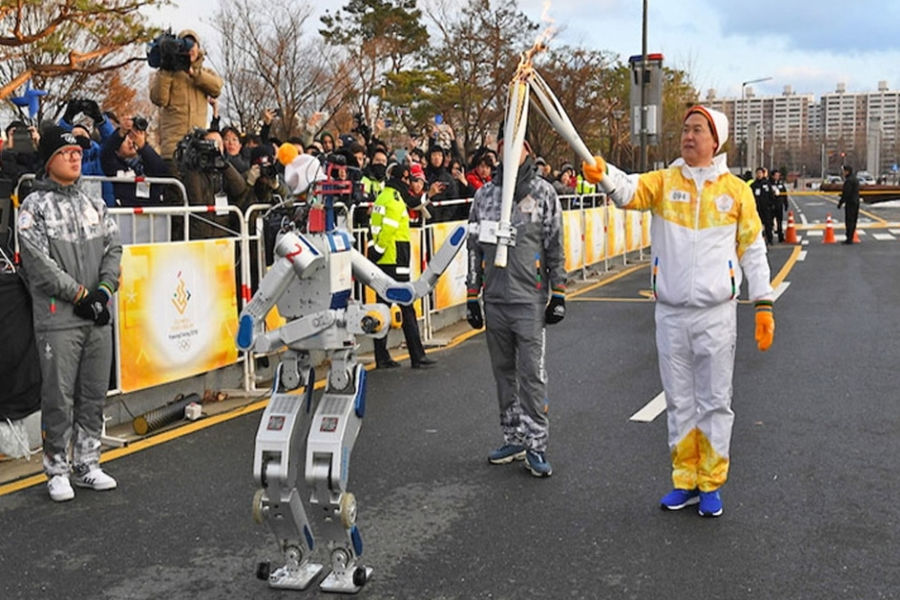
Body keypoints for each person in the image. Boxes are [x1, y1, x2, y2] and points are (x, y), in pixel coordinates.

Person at [582, 105, 775, 517]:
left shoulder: (736, 192)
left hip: (715, 315)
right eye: (685, 129)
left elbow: (753, 250)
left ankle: (711, 483)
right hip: (670, 313)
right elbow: (630, 190)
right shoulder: (665, 183)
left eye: (697, 130)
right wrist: (605, 175)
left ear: (715, 140)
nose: (688, 136)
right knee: (679, 400)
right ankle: (685, 479)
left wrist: (763, 302)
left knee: (715, 401)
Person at [15, 125, 123, 502]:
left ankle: (88, 463)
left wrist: (104, 292)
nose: (76, 156)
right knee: (59, 395)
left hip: (96, 314)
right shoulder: (33, 206)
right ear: (49, 161)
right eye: (66, 152)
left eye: (78, 151)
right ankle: (56, 467)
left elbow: (114, 250)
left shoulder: (94, 202)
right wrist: (80, 295)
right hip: (58, 317)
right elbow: (38, 263)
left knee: (93, 392)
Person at [465, 137, 566, 479]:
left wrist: (560, 291)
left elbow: (554, 243)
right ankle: (514, 437)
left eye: (516, 143)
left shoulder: (542, 193)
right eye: (502, 142)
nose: (509, 150)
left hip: (529, 298)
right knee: (503, 373)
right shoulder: (485, 195)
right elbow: (473, 247)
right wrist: (471, 294)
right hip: (494, 299)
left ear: (527, 150)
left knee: (532, 374)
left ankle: (536, 444)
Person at [368, 162, 436, 370]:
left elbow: (376, 227)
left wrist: (375, 252)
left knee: (383, 308)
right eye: (407, 179)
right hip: (395, 259)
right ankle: (417, 355)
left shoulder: (383, 196)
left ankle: (382, 356)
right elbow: (388, 231)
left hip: (386, 259)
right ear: (401, 179)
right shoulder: (395, 201)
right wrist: (379, 251)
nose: (408, 183)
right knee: (406, 306)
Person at [149, 29, 223, 159]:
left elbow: (216, 88)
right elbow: (159, 99)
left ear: (198, 47)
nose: (190, 49)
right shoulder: (167, 74)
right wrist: (166, 68)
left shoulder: (205, 73)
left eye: (192, 44)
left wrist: (193, 73)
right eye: (185, 44)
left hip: (197, 149)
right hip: (173, 148)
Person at [100, 116, 172, 206]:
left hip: (153, 214)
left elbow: (161, 170)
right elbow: (106, 154)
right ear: (117, 149)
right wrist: (120, 133)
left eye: (132, 137)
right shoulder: (114, 164)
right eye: (126, 139)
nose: (131, 142)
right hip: (125, 214)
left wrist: (143, 146)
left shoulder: (147, 159)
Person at [750, 167, 774, 244]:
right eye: (758, 173)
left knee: (768, 224)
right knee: (757, 225)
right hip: (757, 208)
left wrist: (771, 205)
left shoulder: (767, 184)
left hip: (766, 208)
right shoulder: (753, 185)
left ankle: (769, 239)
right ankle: (758, 239)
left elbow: (771, 195)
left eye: (760, 173)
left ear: (763, 174)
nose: (759, 175)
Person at [837, 164, 860, 244]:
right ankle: (851, 237)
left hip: (850, 203)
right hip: (856, 202)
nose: (843, 172)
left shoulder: (849, 181)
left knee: (849, 220)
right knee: (853, 220)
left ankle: (849, 238)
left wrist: (840, 202)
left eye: (844, 171)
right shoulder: (855, 179)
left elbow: (846, 193)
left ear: (847, 171)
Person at [770, 169, 788, 242]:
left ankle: (781, 237)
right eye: (776, 175)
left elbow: (784, 194)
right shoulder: (769, 184)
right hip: (771, 205)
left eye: (778, 175)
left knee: (779, 221)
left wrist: (785, 203)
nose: (777, 177)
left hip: (779, 205)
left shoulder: (780, 184)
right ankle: (769, 238)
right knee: (770, 222)